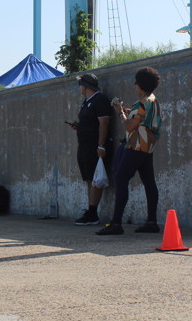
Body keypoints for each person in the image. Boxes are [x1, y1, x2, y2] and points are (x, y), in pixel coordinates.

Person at [96, 67, 162, 235]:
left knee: (121, 178)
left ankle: (116, 223)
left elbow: (129, 126)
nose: (135, 85)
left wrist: (120, 112)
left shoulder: (142, 103)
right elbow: (141, 119)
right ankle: (152, 222)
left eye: (136, 82)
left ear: (141, 84)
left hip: (136, 145)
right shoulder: (153, 101)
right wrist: (127, 112)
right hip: (147, 147)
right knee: (149, 182)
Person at [68, 73, 113, 225]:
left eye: (80, 84)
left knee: (95, 178)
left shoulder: (100, 100)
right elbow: (89, 122)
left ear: (85, 86)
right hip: (84, 144)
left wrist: (101, 145)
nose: (79, 87)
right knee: (88, 177)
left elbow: (104, 123)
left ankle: (93, 213)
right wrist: (79, 126)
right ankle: (90, 210)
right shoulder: (86, 102)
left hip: (94, 146)